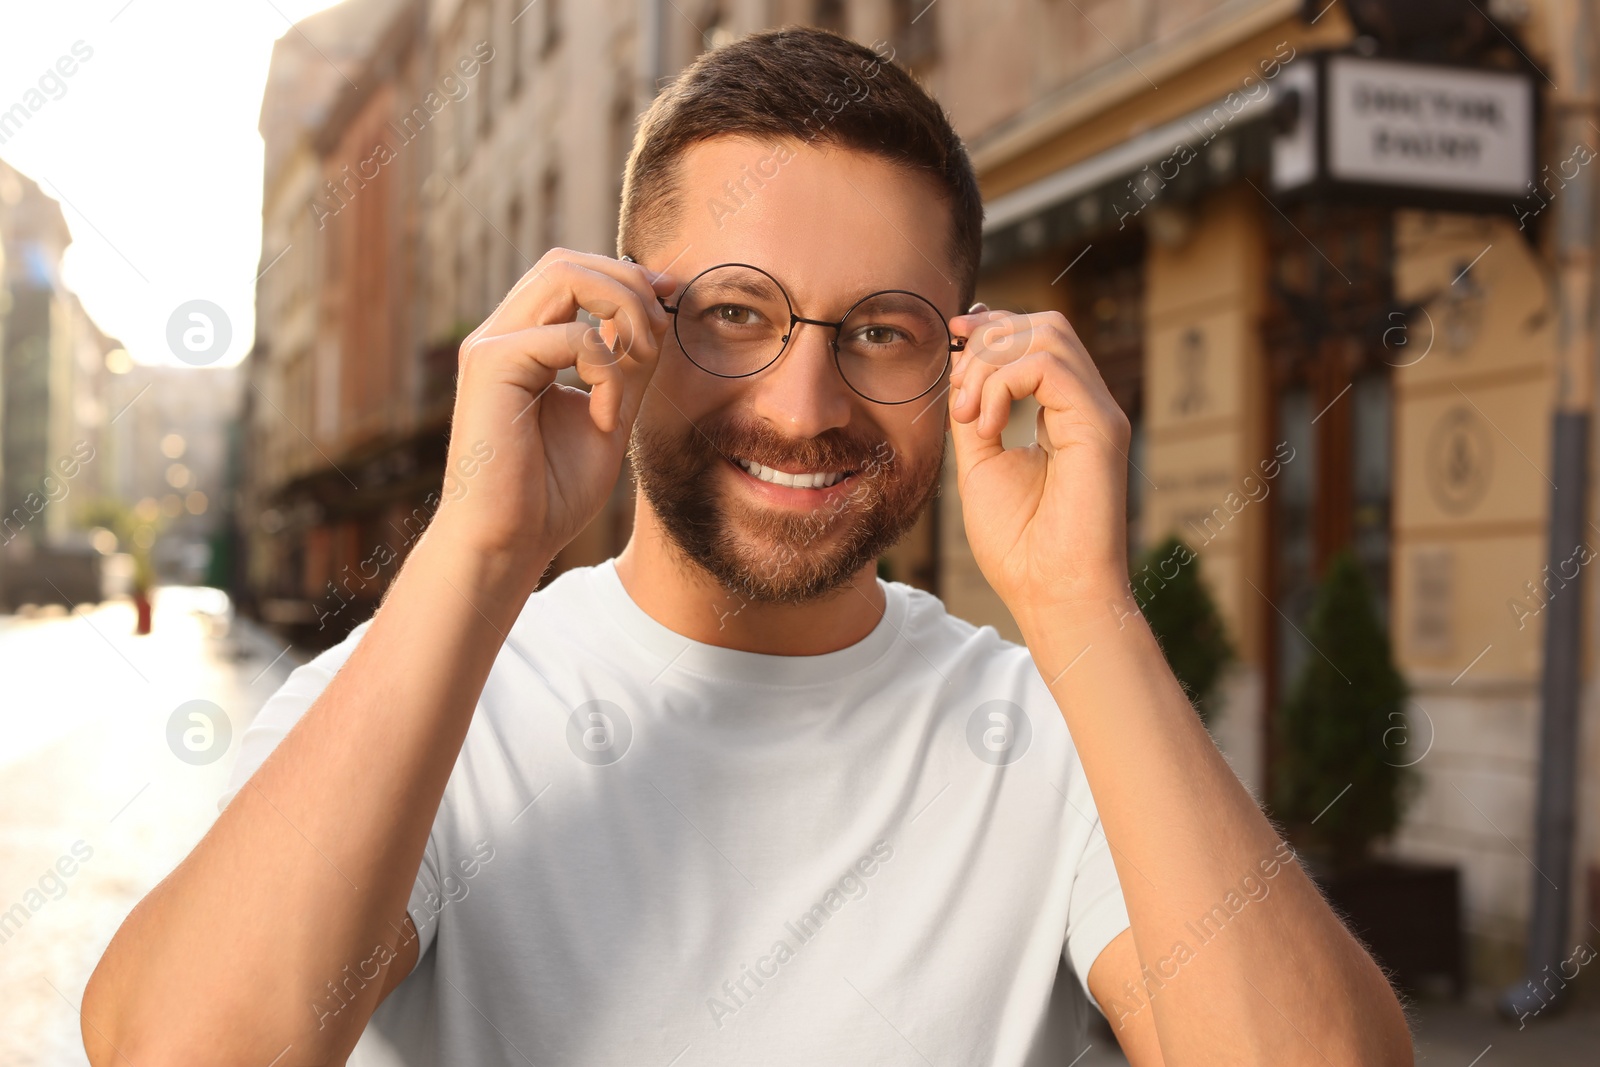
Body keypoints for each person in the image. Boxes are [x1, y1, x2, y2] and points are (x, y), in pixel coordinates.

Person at [82, 26, 1413, 1066]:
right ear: (618, 327)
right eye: (733, 314)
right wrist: (479, 553)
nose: (803, 406)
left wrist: (1081, 608)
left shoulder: (1063, 735)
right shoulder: (425, 695)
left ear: (961, 355)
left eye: (882, 331)